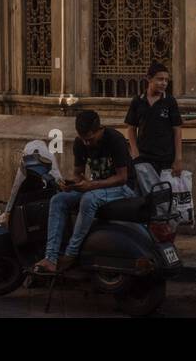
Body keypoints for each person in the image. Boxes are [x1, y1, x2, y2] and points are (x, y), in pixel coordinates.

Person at [34, 109, 136, 274]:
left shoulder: (114, 139)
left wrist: (91, 185)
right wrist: (71, 184)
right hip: (97, 187)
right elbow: (78, 174)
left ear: (99, 130)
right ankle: (50, 257)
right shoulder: (80, 143)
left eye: (90, 139)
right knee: (58, 200)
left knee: (89, 199)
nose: (87, 143)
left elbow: (122, 177)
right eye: (83, 139)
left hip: (124, 188)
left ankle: (71, 254)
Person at [123, 62, 184, 184]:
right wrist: (135, 152)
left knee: (164, 194)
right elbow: (131, 128)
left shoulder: (170, 101)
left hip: (165, 158)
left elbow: (177, 129)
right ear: (149, 78)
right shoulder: (138, 101)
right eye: (160, 79)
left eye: (166, 80)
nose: (164, 83)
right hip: (144, 158)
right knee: (146, 193)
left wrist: (178, 158)